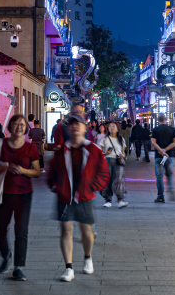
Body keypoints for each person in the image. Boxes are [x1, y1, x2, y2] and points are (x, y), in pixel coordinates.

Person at [48, 115, 110, 282]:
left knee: (86, 231)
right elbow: (52, 171)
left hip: (85, 196)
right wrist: (55, 186)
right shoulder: (62, 151)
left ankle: (87, 257)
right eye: (72, 125)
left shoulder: (93, 149)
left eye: (78, 124)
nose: (75, 127)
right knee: (66, 230)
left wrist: (92, 187)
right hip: (65, 196)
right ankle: (68, 268)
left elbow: (104, 173)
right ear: (68, 129)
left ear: (85, 128)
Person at [0, 114, 40, 280]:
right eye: (16, 124)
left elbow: (36, 172)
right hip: (4, 193)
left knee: (21, 230)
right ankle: (5, 255)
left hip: (24, 194)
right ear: (10, 127)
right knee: (1, 228)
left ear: (26, 128)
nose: (19, 127)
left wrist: (23, 170)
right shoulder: (1, 145)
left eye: (22, 124)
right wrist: (6, 167)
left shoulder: (31, 148)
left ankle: (18, 266)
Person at [98, 122, 128, 208]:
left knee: (119, 180)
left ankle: (120, 200)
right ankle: (108, 200)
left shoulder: (121, 139)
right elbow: (100, 152)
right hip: (108, 161)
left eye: (114, 126)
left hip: (118, 161)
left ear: (117, 129)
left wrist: (122, 155)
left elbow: (123, 153)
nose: (112, 127)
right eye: (110, 126)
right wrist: (105, 153)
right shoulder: (105, 139)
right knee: (108, 180)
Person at [151, 114, 175, 203]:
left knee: (159, 177)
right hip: (169, 156)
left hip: (159, 157)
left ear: (158, 120)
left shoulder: (155, 129)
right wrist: (166, 150)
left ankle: (160, 196)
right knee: (169, 175)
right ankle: (170, 188)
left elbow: (153, 143)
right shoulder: (172, 129)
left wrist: (161, 151)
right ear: (166, 119)